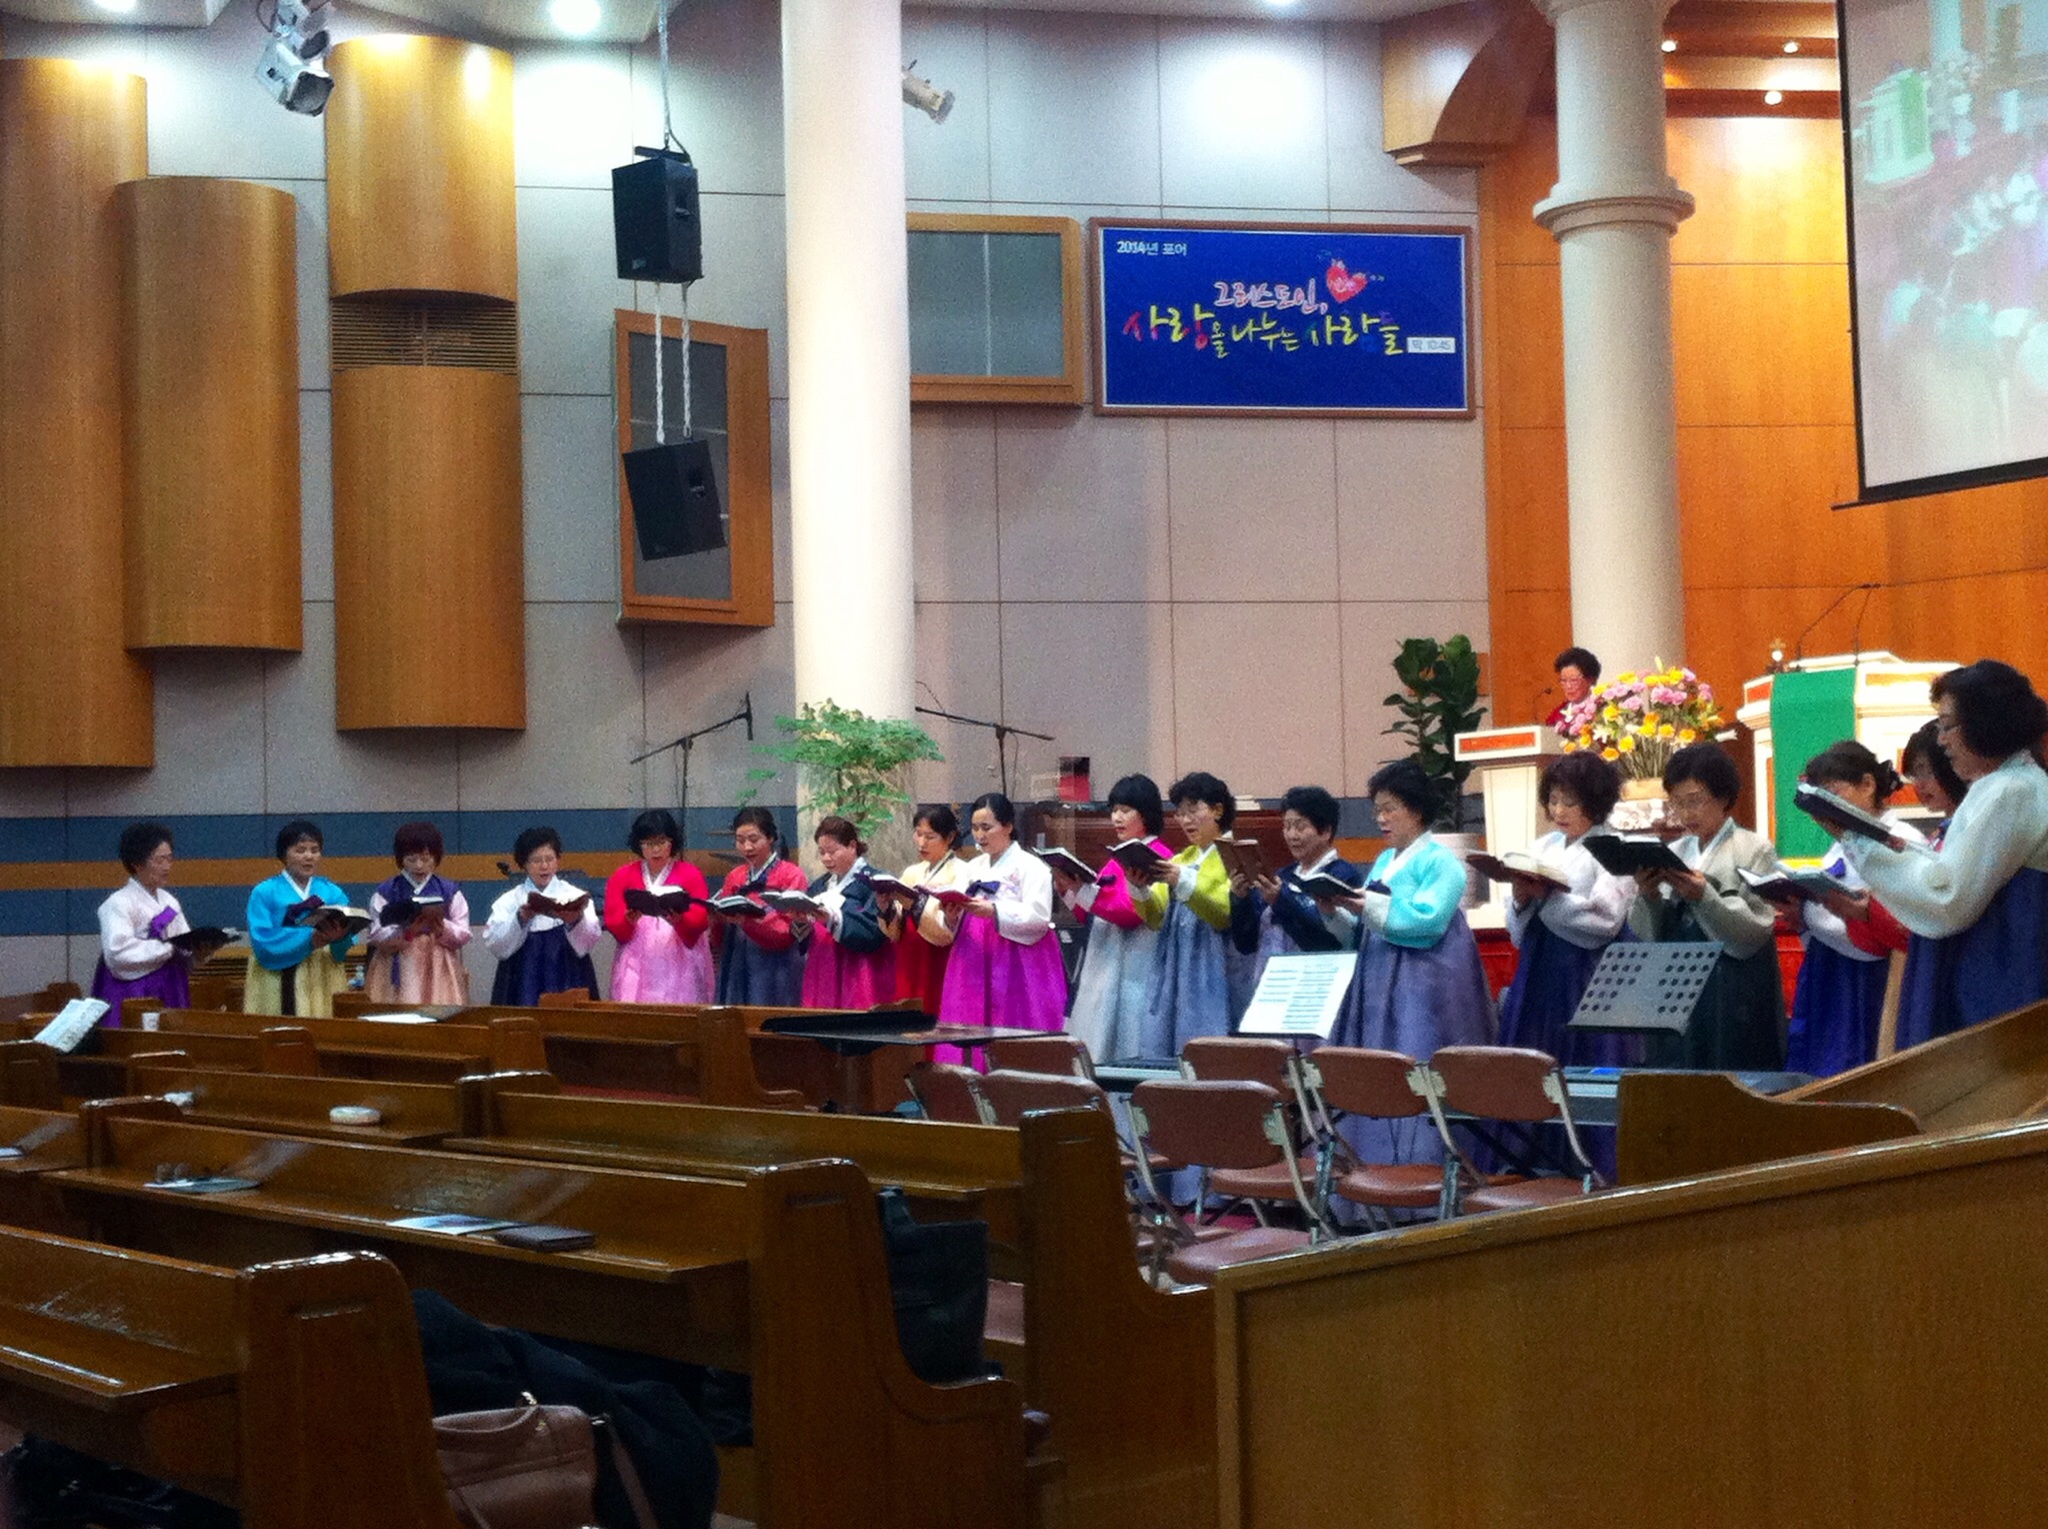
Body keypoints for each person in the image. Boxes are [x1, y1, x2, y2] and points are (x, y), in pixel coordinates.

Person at [1841, 660, 2048, 1045]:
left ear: (1985, 723)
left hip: (2002, 985)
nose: (1941, 741)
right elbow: (1951, 872)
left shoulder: (2008, 790)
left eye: (1947, 725)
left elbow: (1947, 897)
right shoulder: (2013, 782)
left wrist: (1861, 845)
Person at [1325, 758, 1496, 1070]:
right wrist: (1335, 909)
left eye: (1389, 809)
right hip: (1378, 969)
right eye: (1377, 810)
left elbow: (1429, 920)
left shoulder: (1442, 862)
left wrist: (1368, 906)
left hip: (1423, 974)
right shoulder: (1384, 860)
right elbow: (1364, 924)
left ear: (1416, 810)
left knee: (1417, 1044)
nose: (1381, 818)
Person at [1627, 742, 1785, 1069]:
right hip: (1676, 983)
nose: (1687, 814)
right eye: (1678, 803)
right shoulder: (1676, 851)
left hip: (1732, 987)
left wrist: (1704, 896)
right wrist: (1648, 894)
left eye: (1695, 801)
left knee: (1729, 1071)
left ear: (1723, 798)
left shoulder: (1753, 848)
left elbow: (1757, 929)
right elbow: (1648, 933)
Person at [1771, 742, 1924, 1076]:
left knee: (1856, 1067)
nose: (1825, 807)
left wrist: (1808, 914)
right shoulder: (1842, 842)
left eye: (1832, 792)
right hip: (1831, 970)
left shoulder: (1900, 838)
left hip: (1869, 979)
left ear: (1867, 785)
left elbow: (1887, 920)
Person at [1495, 752, 1636, 1062]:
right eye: (1553, 800)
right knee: (1534, 1056)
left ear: (1595, 802)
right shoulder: (1542, 847)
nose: (1558, 810)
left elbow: (1607, 919)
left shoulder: (1613, 848)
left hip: (1585, 968)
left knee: (1582, 1053)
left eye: (1569, 802)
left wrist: (1547, 897)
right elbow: (1518, 930)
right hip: (1538, 962)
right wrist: (1520, 900)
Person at [1133, 772, 1254, 1061]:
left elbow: (1224, 914)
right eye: (1180, 813)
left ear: (1218, 810)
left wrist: (1183, 881)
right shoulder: (1181, 858)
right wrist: (1140, 888)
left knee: (1210, 1047)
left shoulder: (1234, 855)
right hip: (1176, 964)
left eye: (1192, 810)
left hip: (1215, 964)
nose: (1185, 820)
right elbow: (1156, 917)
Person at [1057, 774, 1170, 1065]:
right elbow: (1088, 912)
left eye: (1125, 810)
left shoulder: (1158, 857)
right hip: (1102, 962)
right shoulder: (1115, 858)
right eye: (1114, 810)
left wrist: (1084, 892)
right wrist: (1069, 888)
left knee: (1126, 1044)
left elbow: (1130, 913)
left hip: (1134, 964)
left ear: (1146, 813)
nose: (1116, 818)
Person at [939, 792, 1068, 1035]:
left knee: (1012, 1020)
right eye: (975, 828)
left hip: (1017, 956)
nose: (980, 835)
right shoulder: (972, 867)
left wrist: (995, 911)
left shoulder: (1031, 866)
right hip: (973, 952)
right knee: (969, 1018)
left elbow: (1039, 917)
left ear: (1008, 826)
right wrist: (951, 916)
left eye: (987, 827)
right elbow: (956, 918)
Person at [1225, 784, 1363, 990]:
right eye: (1287, 826)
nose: (1291, 835)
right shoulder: (1282, 875)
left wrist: (1280, 901)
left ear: (1325, 831)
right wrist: (1240, 899)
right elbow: (1246, 944)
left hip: (1318, 985)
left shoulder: (1342, 875)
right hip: (1273, 985)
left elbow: (1327, 943)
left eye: (1300, 827)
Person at [90, 822, 205, 1015]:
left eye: (169, 859)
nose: (166, 867)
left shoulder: (170, 902)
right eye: (159, 860)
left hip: (170, 985)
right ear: (137, 863)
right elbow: (117, 953)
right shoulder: (117, 903)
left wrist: (199, 948)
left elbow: (184, 942)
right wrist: (169, 948)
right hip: (132, 990)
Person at [244, 819, 356, 1017]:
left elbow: (346, 938)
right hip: (277, 977)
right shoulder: (264, 892)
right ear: (284, 854)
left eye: (315, 850)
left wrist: (340, 937)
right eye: (300, 850)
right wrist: (308, 939)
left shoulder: (332, 891)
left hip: (322, 972)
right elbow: (261, 939)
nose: (309, 856)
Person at [601, 808, 713, 1004]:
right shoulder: (622, 875)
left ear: (672, 841)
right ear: (638, 844)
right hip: (636, 958)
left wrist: (680, 920)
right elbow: (612, 919)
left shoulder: (690, 874)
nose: (655, 850)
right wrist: (627, 920)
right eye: (648, 843)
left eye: (661, 842)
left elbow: (700, 916)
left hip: (680, 957)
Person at [483, 826, 601, 1005]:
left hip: (569, 973)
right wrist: (520, 918)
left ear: (558, 860)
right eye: (536, 860)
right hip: (522, 977)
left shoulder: (574, 894)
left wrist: (574, 921)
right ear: (523, 864)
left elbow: (591, 938)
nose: (544, 866)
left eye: (550, 859)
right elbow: (496, 944)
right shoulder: (509, 901)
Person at [789, 816, 895, 1008]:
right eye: (822, 852)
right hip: (823, 966)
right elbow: (806, 935)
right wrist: (802, 921)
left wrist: (834, 918)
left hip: (858, 968)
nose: (826, 858)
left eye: (832, 851)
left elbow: (875, 931)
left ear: (852, 846)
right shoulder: (820, 885)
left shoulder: (874, 882)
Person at [709, 807, 811, 1007]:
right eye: (740, 841)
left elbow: (788, 931)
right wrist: (715, 918)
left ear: (770, 838)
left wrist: (748, 922)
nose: (747, 847)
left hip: (777, 964)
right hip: (736, 959)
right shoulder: (735, 876)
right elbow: (720, 934)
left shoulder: (791, 874)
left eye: (754, 840)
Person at [362, 821, 472, 1005]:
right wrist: (405, 931)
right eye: (411, 859)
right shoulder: (387, 891)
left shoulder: (448, 890)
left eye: (425, 859)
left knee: (438, 1008)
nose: (419, 866)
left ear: (436, 857)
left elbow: (463, 932)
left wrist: (441, 926)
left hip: (437, 962)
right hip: (397, 959)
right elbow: (376, 932)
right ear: (400, 858)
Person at [883, 804, 972, 1017]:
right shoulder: (912, 871)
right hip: (908, 956)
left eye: (930, 837)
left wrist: (915, 903)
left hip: (937, 956)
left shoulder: (962, 871)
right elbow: (895, 929)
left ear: (949, 837)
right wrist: (885, 906)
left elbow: (951, 926)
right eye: (918, 834)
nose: (922, 843)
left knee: (934, 1008)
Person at [1546, 645, 1602, 730]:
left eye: (1574, 680)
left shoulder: (1601, 707)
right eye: (1563, 681)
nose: (1568, 686)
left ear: (1590, 679)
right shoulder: (1556, 716)